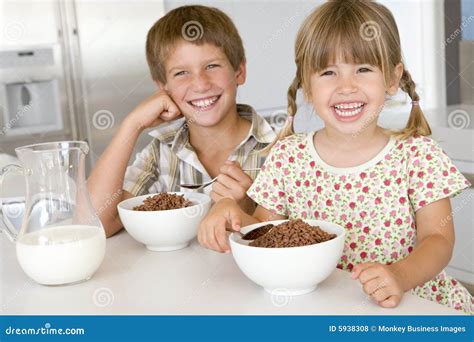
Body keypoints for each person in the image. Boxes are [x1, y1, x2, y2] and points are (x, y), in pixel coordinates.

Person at [198, 0, 472, 313]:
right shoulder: (288, 157)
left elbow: (438, 241)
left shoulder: (418, 156)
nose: (346, 86)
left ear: (393, 79)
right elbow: (264, 233)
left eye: (363, 69)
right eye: (328, 72)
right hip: (325, 309)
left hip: (413, 306)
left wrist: (399, 275)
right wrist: (230, 213)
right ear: (308, 87)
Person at [87, 5, 275, 237]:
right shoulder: (160, 153)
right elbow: (94, 224)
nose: (201, 84)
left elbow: (296, 242)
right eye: (181, 73)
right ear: (162, 87)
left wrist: (248, 211)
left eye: (212, 66)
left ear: (239, 72)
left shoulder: (280, 149)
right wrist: (132, 125)